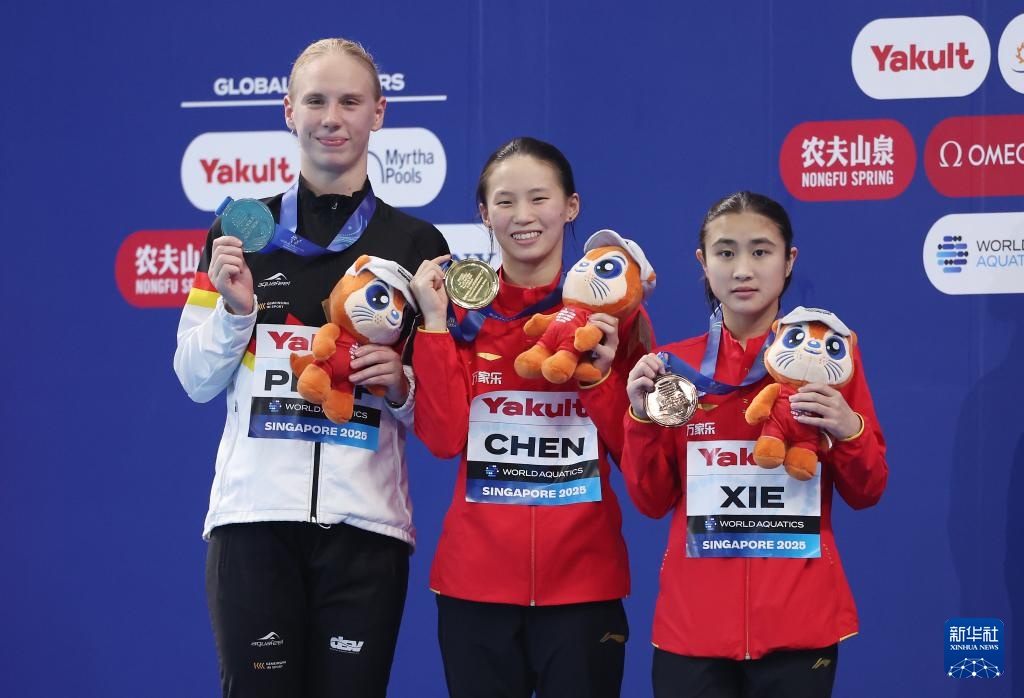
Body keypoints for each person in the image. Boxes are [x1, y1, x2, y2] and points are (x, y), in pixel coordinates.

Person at [173, 37, 449, 698]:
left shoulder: (416, 244)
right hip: (253, 527)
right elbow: (194, 378)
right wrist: (236, 313)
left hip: (366, 534)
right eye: (317, 100)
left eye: (350, 101)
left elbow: (438, 411)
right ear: (288, 110)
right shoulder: (238, 233)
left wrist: (400, 384)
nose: (332, 118)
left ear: (378, 112)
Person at [409, 137, 652, 698]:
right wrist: (435, 326)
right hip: (474, 587)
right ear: (484, 214)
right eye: (505, 201)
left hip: (585, 584)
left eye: (539, 198)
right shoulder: (460, 316)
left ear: (570, 207)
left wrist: (600, 379)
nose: (523, 216)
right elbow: (443, 439)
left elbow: (637, 458)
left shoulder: (617, 316)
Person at [621, 191, 888, 698]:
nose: (742, 269)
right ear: (703, 263)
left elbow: (868, 489)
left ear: (789, 261)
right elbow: (651, 500)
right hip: (692, 631)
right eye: (725, 252)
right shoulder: (672, 368)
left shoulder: (831, 364)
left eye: (761, 251)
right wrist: (639, 417)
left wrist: (849, 428)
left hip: (799, 628)